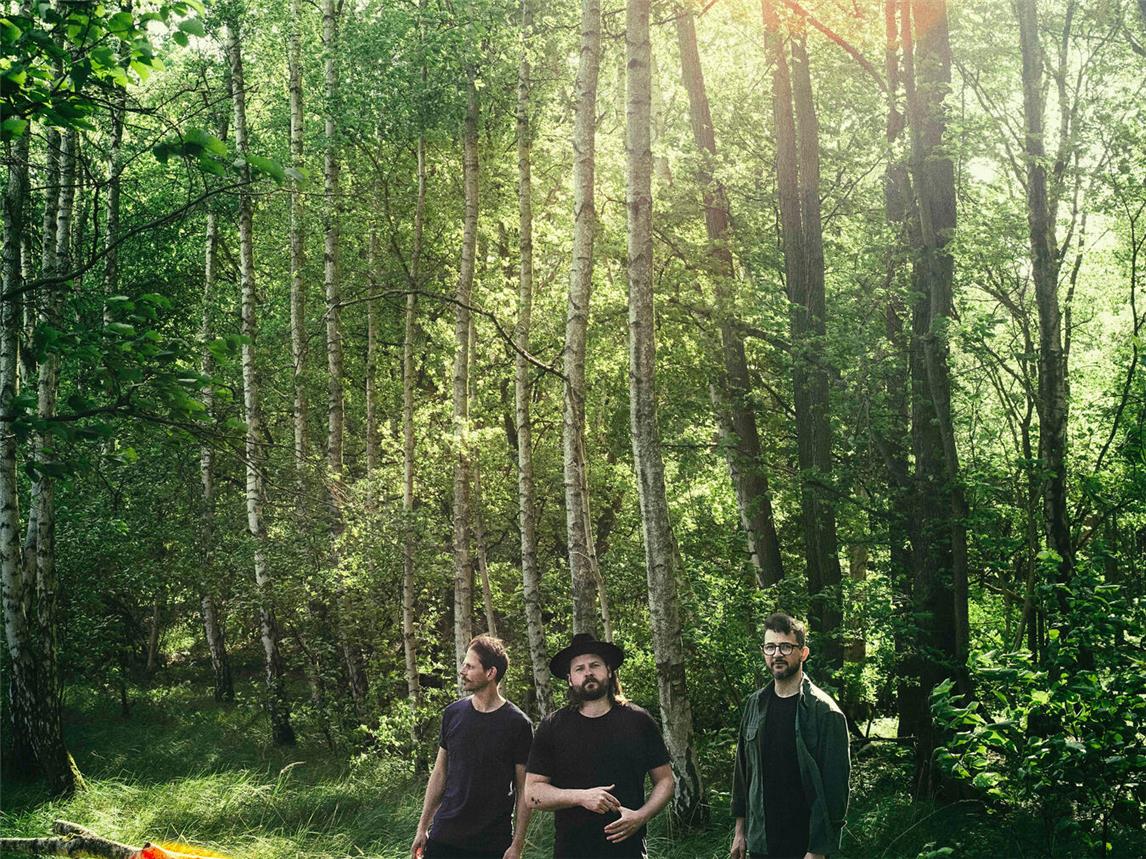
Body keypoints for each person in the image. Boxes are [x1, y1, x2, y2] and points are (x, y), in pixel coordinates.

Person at [525, 632, 675, 859]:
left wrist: (641, 816)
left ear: (609, 670)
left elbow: (665, 780)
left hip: (628, 851)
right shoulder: (553, 726)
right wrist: (581, 797)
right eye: (579, 668)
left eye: (594, 665)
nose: (588, 672)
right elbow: (533, 792)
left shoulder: (638, 721)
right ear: (570, 679)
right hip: (571, 852)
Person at [730, 613, 850, 859]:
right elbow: (743, 774)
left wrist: (818, 850)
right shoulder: (755, 705)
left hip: (804, 845)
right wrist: (740, 831)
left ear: (803, 653)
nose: (777, 654)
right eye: (770, 647)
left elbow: (835, 789)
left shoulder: (824, 712)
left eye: (785, 646)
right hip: (762, 842)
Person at [412, 635, 534, 859]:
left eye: (470, 666)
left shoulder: (518, 724)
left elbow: (524, 789)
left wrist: (517, 845)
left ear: (490, 673)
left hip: (490, 844)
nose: (462, 671)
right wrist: (422, 827)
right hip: (444, 838)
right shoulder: (453, 714)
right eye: (463, 664)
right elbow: (439, 773)